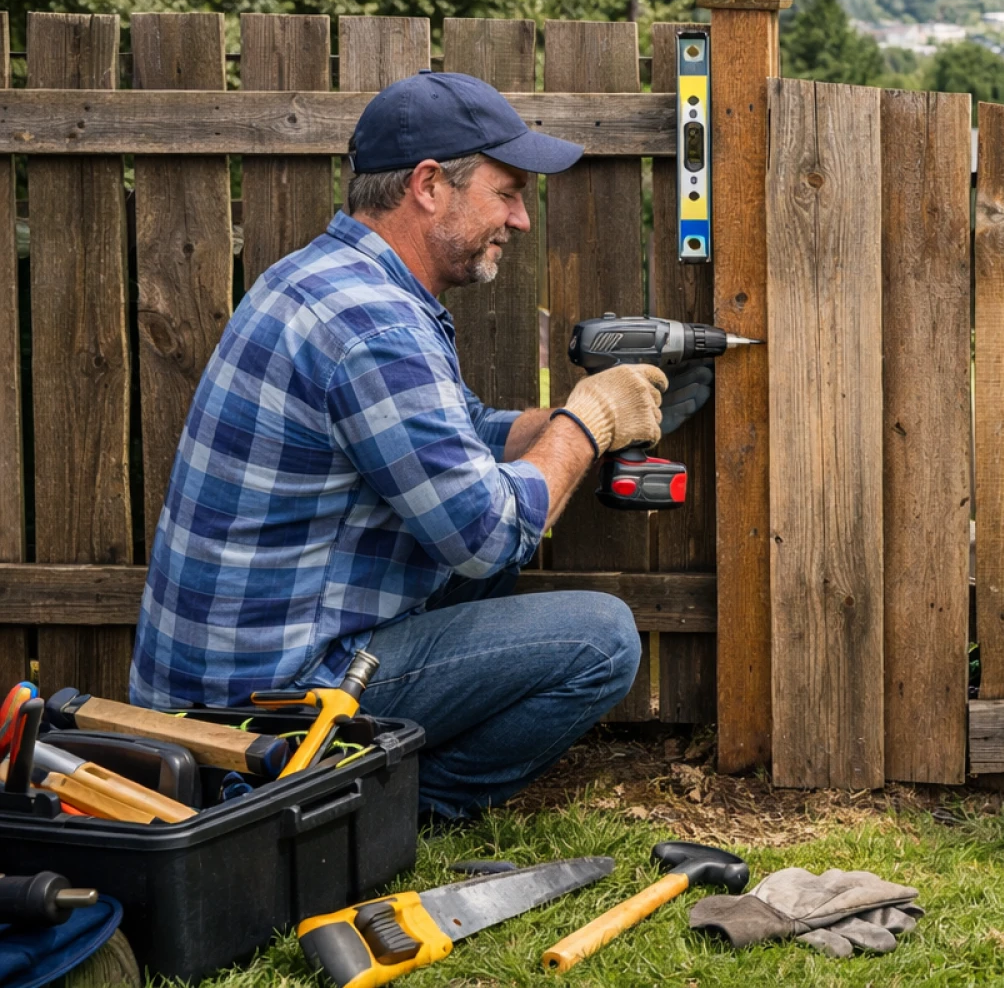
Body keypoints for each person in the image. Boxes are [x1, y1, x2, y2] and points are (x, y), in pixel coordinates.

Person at [130, 70, 709, 821]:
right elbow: (487, 535)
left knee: (484, 556)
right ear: (430, 185)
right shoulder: (374, 327)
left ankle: (371, 781)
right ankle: (390, 812)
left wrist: (575, 420)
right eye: (507, 193)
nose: (521, 219)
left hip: (226, 680)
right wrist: (587, 422)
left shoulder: (327, 279)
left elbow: (457, 434)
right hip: (257, 716)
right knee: (603, 639)